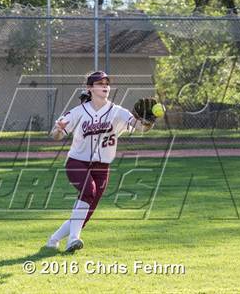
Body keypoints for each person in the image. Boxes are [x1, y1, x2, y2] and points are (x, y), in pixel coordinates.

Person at [47, 71, 157, 252]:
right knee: (88, 192)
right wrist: (58, 130)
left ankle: (54, 239)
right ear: (89, 88)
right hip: (77, 163)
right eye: (100, 83)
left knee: (85, 214)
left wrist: (149, 121)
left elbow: (139, 127)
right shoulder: (78, 112)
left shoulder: (117, 111)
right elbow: (56, 135)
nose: (105, 86)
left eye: (107, 83)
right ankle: (73, 239)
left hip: (102, 168)